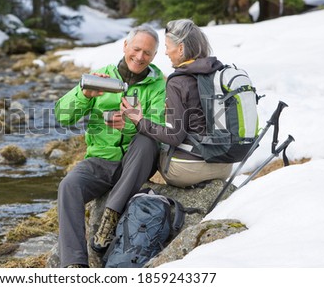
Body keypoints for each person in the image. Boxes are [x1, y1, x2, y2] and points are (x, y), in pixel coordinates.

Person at [54, 25, 166, 268]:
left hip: (135, 163)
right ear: (125, 46)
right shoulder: (100, 76)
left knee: (148, 140)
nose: (140, 57)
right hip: (99, 161)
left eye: (147, 53)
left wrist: (133, 123)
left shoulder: (158, 85)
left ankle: (110, 216)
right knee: (68, 186)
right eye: (136, 49)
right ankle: (74, 264)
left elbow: (158, 127)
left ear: (154, 56)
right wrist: (85, 95)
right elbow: (62, 116)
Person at [122, 19, 233, 188]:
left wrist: (139, 121)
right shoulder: (217, 72)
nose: (166, 53)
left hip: (189, 170)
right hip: (224, 166)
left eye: (167, 47)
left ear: (180, 48)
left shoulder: (178, 82)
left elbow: (173, 136)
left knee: (149, 145)